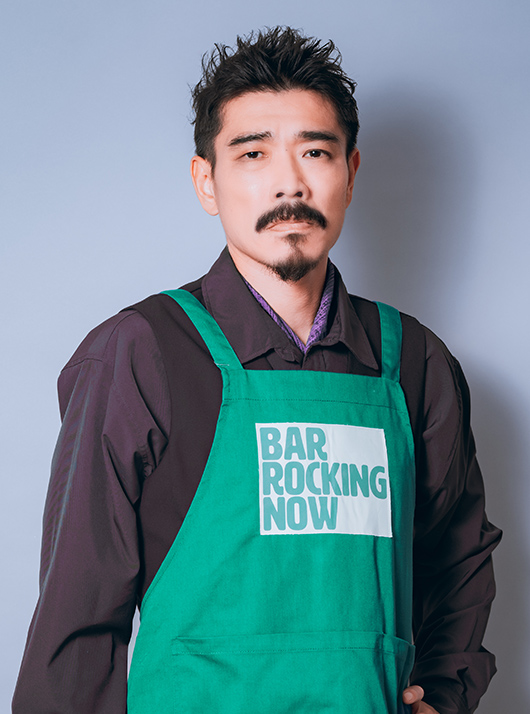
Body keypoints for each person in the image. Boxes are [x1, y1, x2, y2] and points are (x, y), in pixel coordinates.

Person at [13, 27, 501, 714]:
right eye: (252, 153)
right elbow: (75, 627)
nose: (289, 182)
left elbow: (460, 560)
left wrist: (443, 695)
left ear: (351, 173)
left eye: (315, 152)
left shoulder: (416, 362)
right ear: (206, 182)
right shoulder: (141, 355)